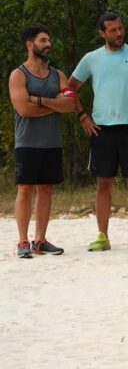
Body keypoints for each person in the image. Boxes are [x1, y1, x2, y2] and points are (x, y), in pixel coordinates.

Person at [68, 12, 128, 251]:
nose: (119, 33)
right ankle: (102, 236)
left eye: (121, 28)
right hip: (102, 129)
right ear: (102, 33)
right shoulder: (91, 59)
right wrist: (82, 116)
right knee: (103, 183)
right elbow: (70, 88)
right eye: (113, 30)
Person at [9, 26, 77, 257]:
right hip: (27, 142)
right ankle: (22, 242)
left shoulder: (58, 75)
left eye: (49, 40)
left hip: (52, 142)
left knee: (46, 189)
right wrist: (55, 104)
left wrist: (39, 100)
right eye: (43, 40)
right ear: (30, 44)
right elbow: (23, 109)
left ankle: (40, 240)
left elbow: (70, 104)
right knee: (25, 190)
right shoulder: (18, 75)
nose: (48, 44)